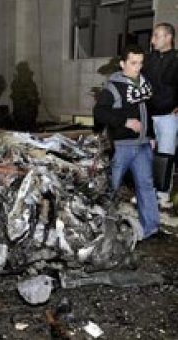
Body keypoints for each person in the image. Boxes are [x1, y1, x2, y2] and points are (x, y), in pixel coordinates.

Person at [94, 45, 160, 240]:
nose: (137, 68)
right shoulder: (114, 86)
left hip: (143, 145)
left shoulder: (143, 85)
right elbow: (100, 112)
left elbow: (147, 112)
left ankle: (151, 228)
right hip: (122, 147)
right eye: (133, 63)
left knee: (146, 186)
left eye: (140, 63)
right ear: (123, 63)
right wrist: (125, 121)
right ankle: (103, 230)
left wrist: (151, 135)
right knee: (111, 188)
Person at [142, 22, 178, 208]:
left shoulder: (177, 59)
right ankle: (147, 192)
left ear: (168, 37)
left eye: (156, 35)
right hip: (147, 115)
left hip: (168, 117)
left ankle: (163, 195)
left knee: (165, 154)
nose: (152, 39)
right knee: (146, 155)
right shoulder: (148, 60)